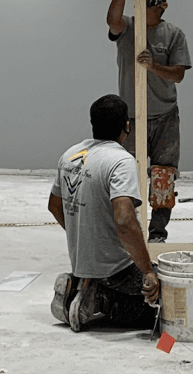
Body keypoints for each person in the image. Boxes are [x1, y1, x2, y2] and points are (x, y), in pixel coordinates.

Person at [48, 94, 163, 333]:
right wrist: (147, 271)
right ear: (126, 126)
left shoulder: (70, 155)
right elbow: (124, 220)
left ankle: (78, 287)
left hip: (83, 263)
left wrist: (85, 235)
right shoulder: (120, 161)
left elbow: (54, 206)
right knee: (163, 306)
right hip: (116, 268)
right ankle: (98, 298)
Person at [104, 0, 191, 242]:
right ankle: (129, 231)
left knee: (163, 175)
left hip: (165, 116)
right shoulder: (128, 28)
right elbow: (112, 20)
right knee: (127, 174)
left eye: (148, 5)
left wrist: (153, 66)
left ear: (162, 7)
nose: (141, 9)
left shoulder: (173, 34)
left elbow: (178, 74)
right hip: (131, 117)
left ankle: (157, 234)